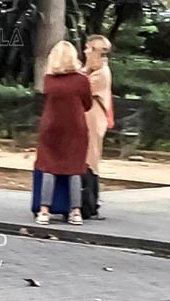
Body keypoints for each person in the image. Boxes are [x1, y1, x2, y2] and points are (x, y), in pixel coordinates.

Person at [34, 41, 93, 226]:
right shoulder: (82, 80)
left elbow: (46, 99)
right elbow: (88, 104)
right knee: (75, 168)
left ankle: (44, 211)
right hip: (75, 128)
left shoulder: (48, 79)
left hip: (51, 127)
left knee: (49, 167)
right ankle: (76, 212)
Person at [83, 35, 113, 189]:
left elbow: (81, 87)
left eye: (88, 48)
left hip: (93, 121)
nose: (85, 52)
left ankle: (89, 199)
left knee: (90, 158)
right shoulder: (92, 70)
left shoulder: (101, 73)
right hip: (87, 120)